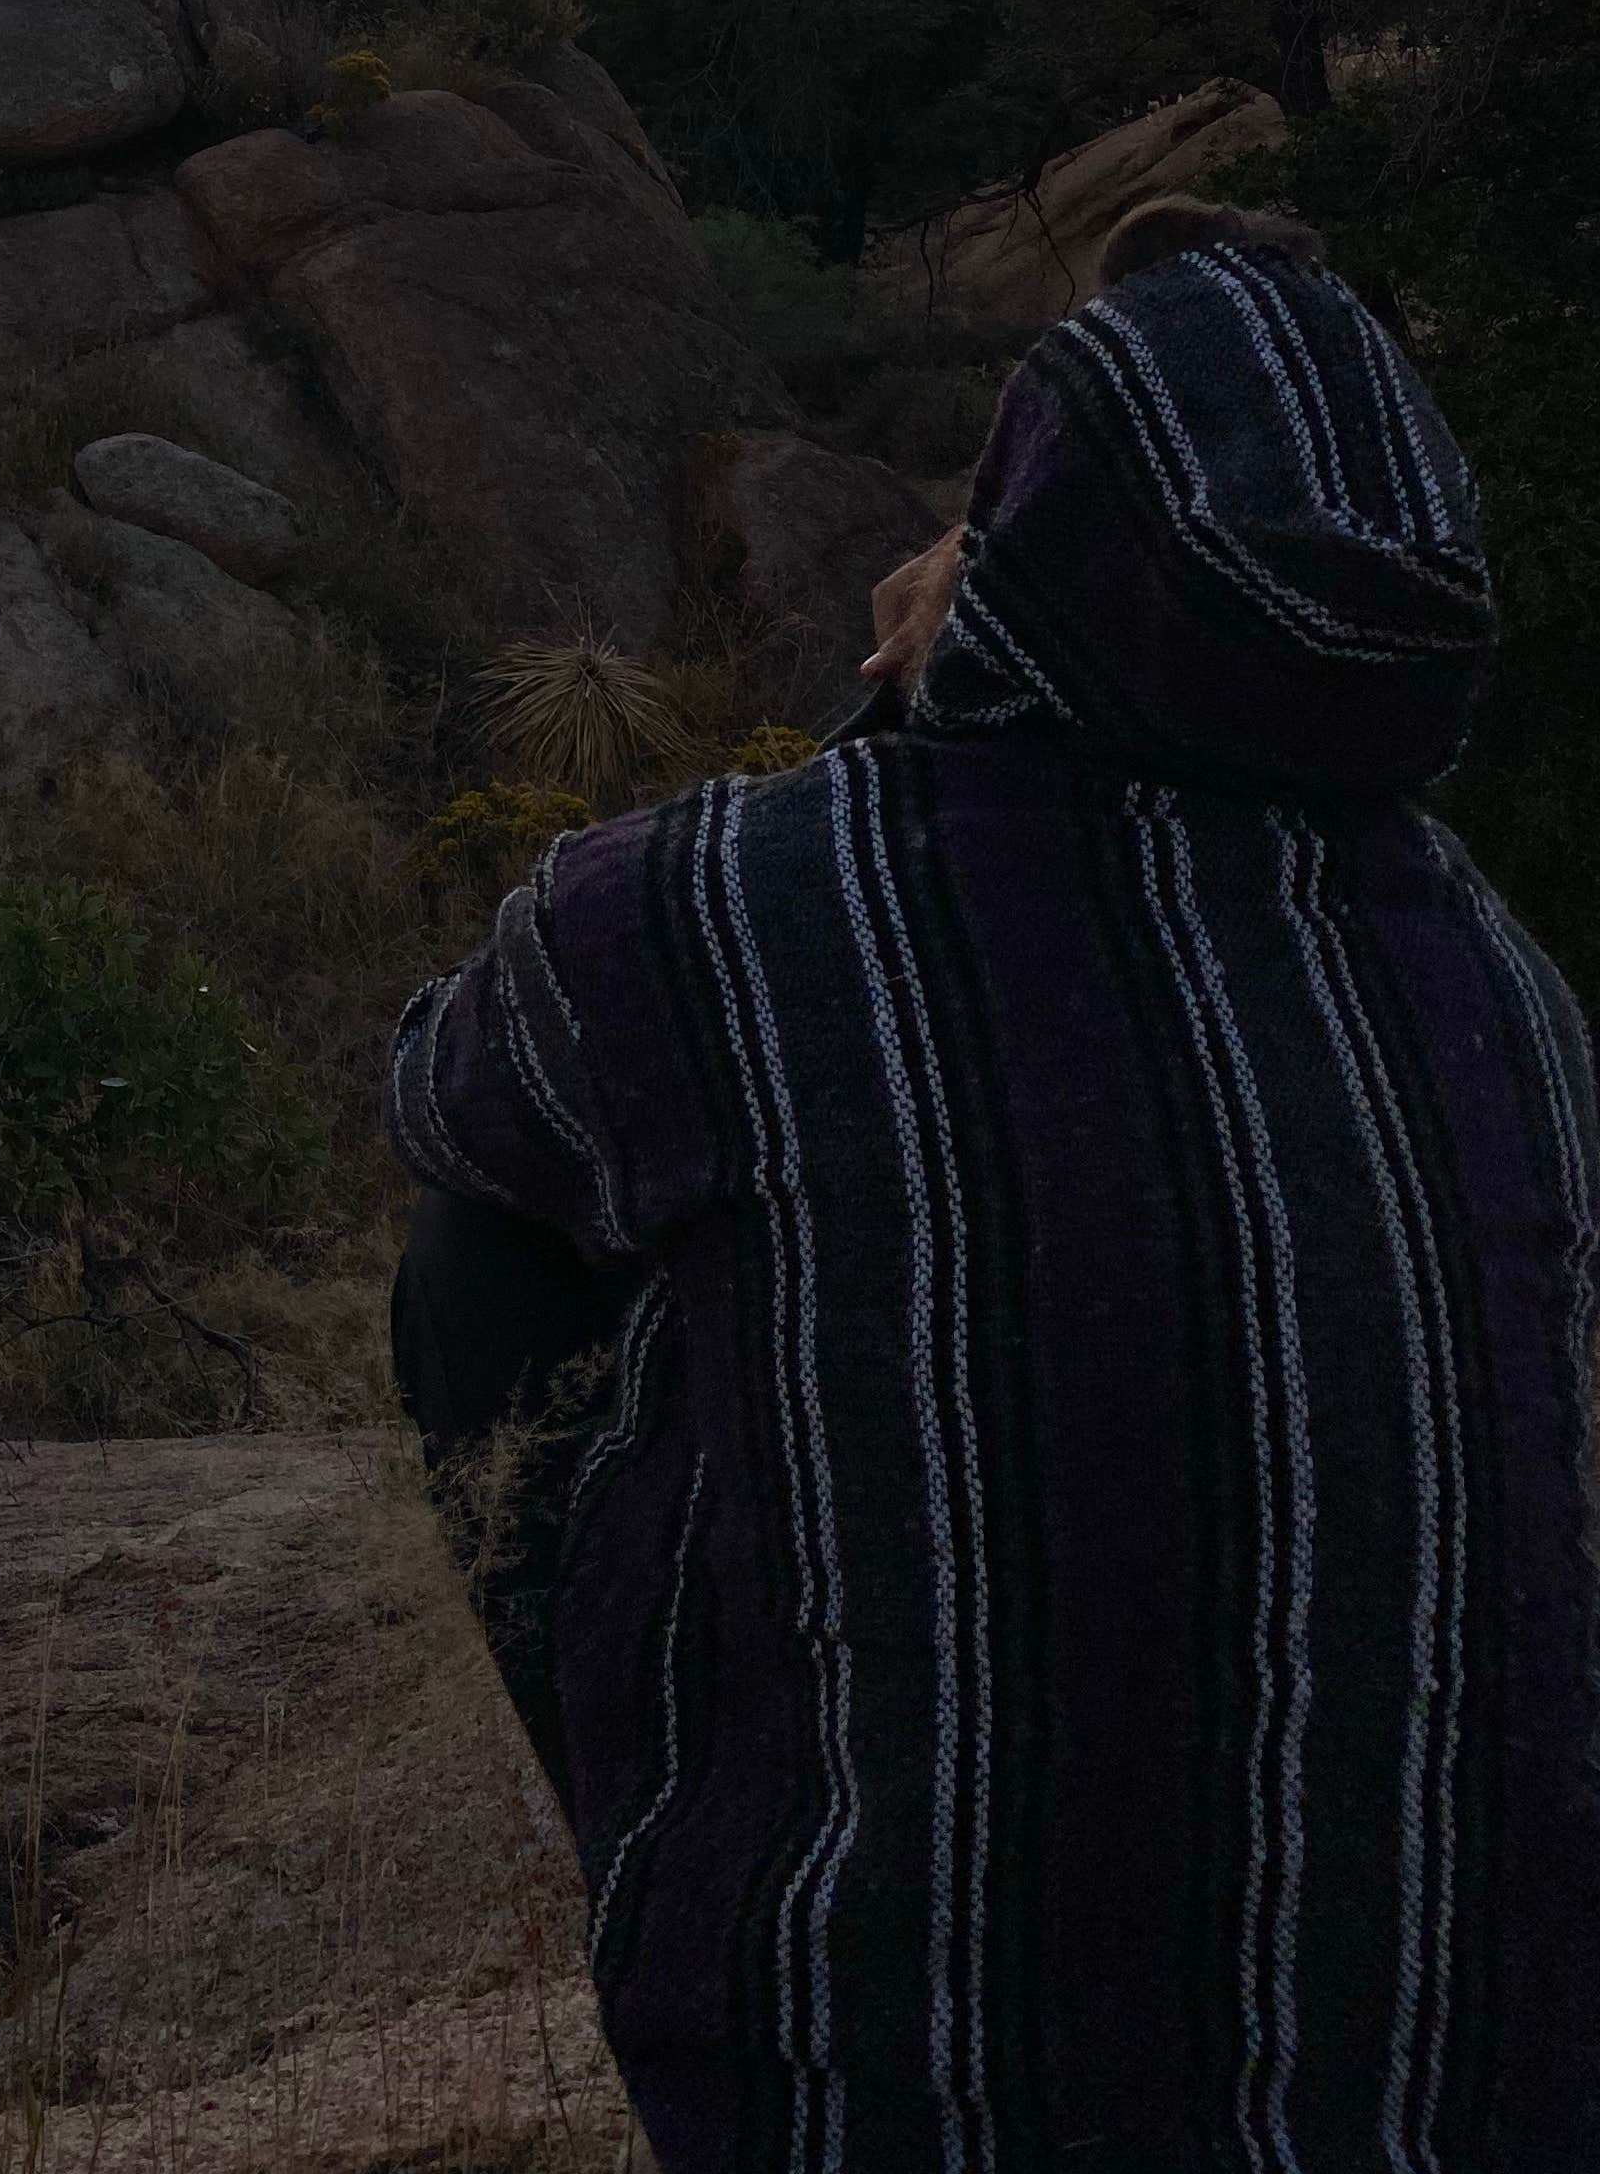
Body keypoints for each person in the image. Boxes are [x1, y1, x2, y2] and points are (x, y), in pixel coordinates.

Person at [389, 200, 1600, 2170]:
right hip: (1470, 2113)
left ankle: (713, 1845)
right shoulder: (1498, 978)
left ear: (1044, 541)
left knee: (483, 1258)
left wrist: (889, 733)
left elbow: (455, 1094)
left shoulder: (736, 905)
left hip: (900, 2117)